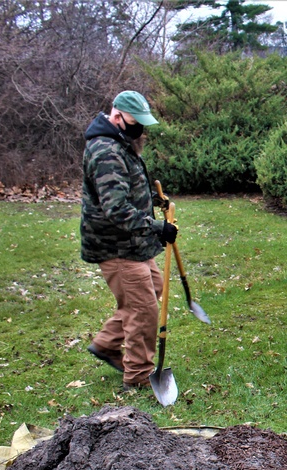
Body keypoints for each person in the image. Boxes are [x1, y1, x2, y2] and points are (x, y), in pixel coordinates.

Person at [80, 90, 177, 392]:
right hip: (116, 246)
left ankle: (106, 344)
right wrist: (156, 227)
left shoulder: (120, 143)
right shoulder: (106, 152)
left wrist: (152, 200)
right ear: (116, 116)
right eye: (136, 123)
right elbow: (116, 210)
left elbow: (126, 191)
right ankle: (137, 375)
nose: (140, 131)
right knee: (144, 310)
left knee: (154, 288)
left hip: (133, 244)